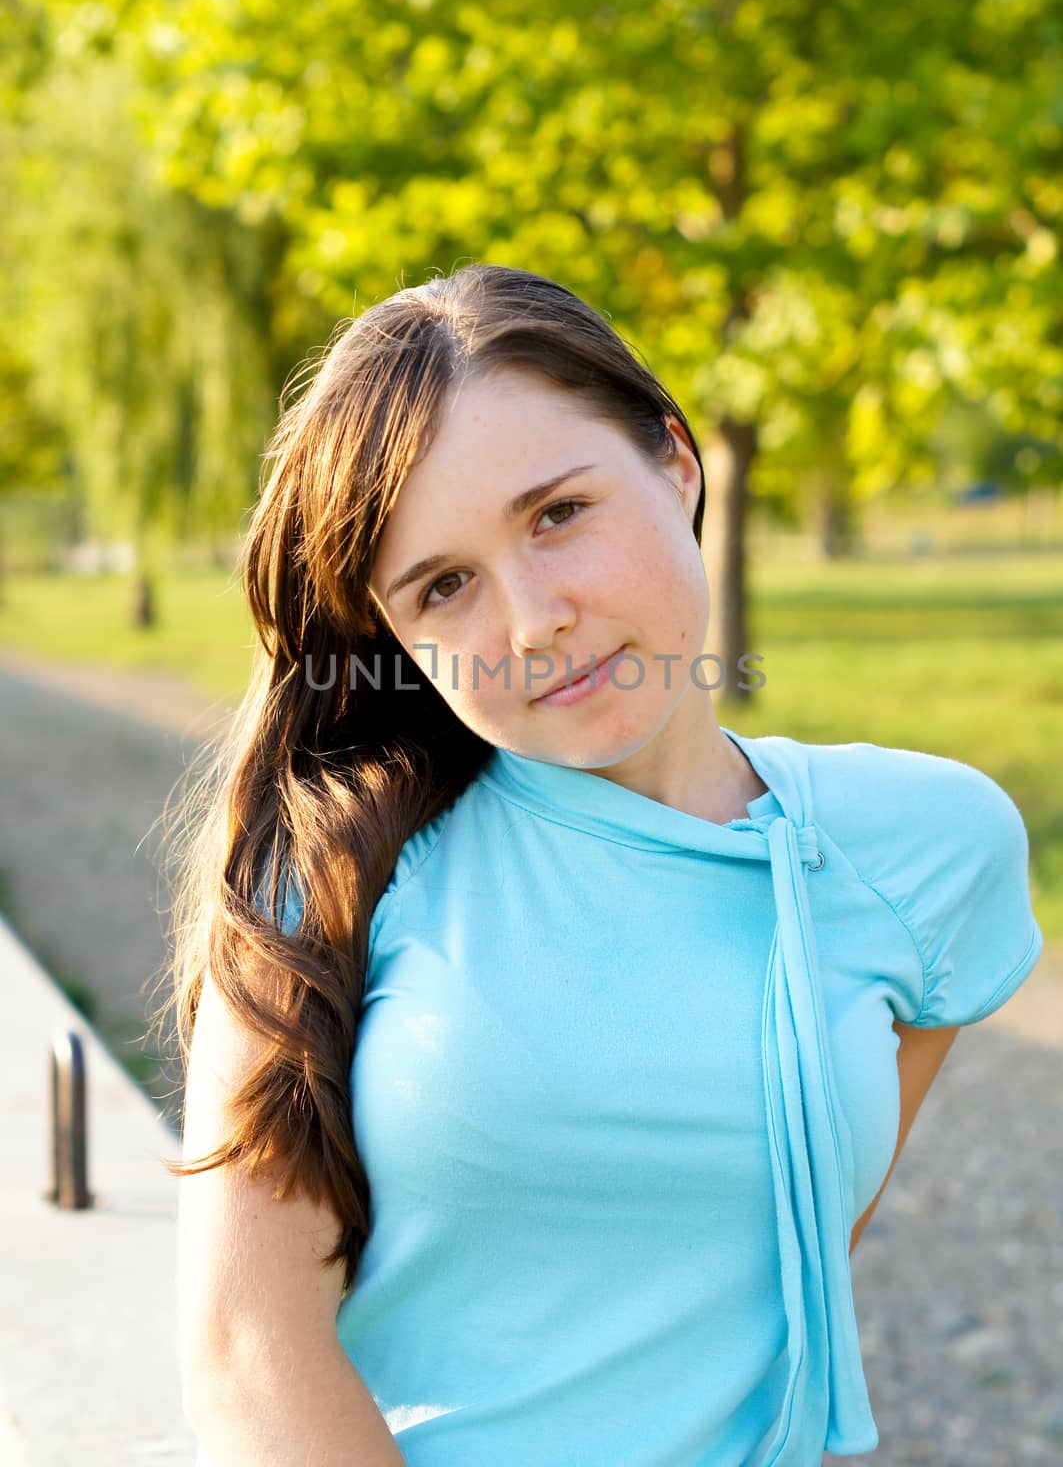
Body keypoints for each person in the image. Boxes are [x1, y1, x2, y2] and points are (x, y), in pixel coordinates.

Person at [164, 263, 1044, 1467]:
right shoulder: (325, 870)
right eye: (445, 585)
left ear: (676, 464)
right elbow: (243, 1347)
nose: (531, 620)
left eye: (557, 513)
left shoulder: (928, 851)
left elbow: (781, 1260)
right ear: (395, 636)